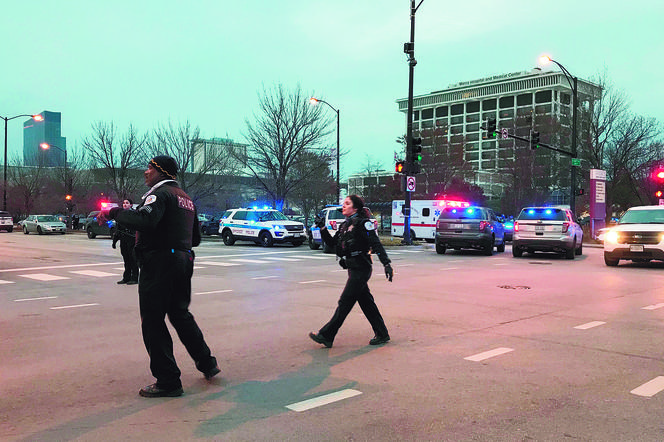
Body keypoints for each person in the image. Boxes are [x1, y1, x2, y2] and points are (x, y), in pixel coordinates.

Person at [105, 155, 220, 398]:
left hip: (159, 263)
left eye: (149, 168)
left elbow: (146, 220)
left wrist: (115, 212)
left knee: (153, 321)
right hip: (183, 260)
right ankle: (207, 363)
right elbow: (195, 238)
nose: (146, 172)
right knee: (180, 314)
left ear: (161, 171)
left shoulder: (160, 194)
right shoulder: (186, 199)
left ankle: (168, 380)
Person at [309, 195, 394, 348]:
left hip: (362, 267)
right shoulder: (345, 224)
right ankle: (382, 333)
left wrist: (386, 263)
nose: (344, 206)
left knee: (345, 302)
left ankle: (327, 335)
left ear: (355, 208)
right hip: (352, 267)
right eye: (344, 203)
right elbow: (332, 244)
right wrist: (322, 228)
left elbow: (376, 244)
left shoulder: (363, 223)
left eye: (347, 204)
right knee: (367, 303)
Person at [112, 198, 139, 285]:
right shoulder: (121, 215)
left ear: (131, 205)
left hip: (131, 239)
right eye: (124, 203)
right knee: (126, 259)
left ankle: (134, 277)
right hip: (123, 239)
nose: (125, 204)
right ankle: (126, 277)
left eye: (127, 203)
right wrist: (114, 241)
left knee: (133, 259)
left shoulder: (134, 214)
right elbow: (118, 229)